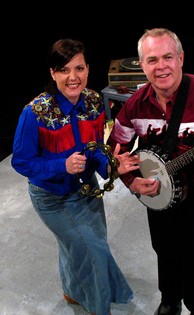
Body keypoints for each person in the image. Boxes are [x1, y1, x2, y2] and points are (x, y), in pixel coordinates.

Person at [107, 28, 194, 315]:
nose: (161, 67)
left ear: (181, 58)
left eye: (168, 57)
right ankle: (170, 300)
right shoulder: (135, 104)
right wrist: (132, 182)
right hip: (156, 190)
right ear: (142, 65)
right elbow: (115, 150)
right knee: (164, 249)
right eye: (152, 60)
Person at [11, 38, 140, 315]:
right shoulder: (35, 112)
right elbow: (21, 162)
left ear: (88, 69)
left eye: (79, 68)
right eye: (64, 70)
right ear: (52, 73)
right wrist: (62, 166)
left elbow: (94, 151)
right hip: (52, 198)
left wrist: (110, 165)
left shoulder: (93, 101)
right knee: (92, 249)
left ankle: (71, 291)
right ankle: (97, 306)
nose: (73, 77)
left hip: (87, 190)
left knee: (80, 246)